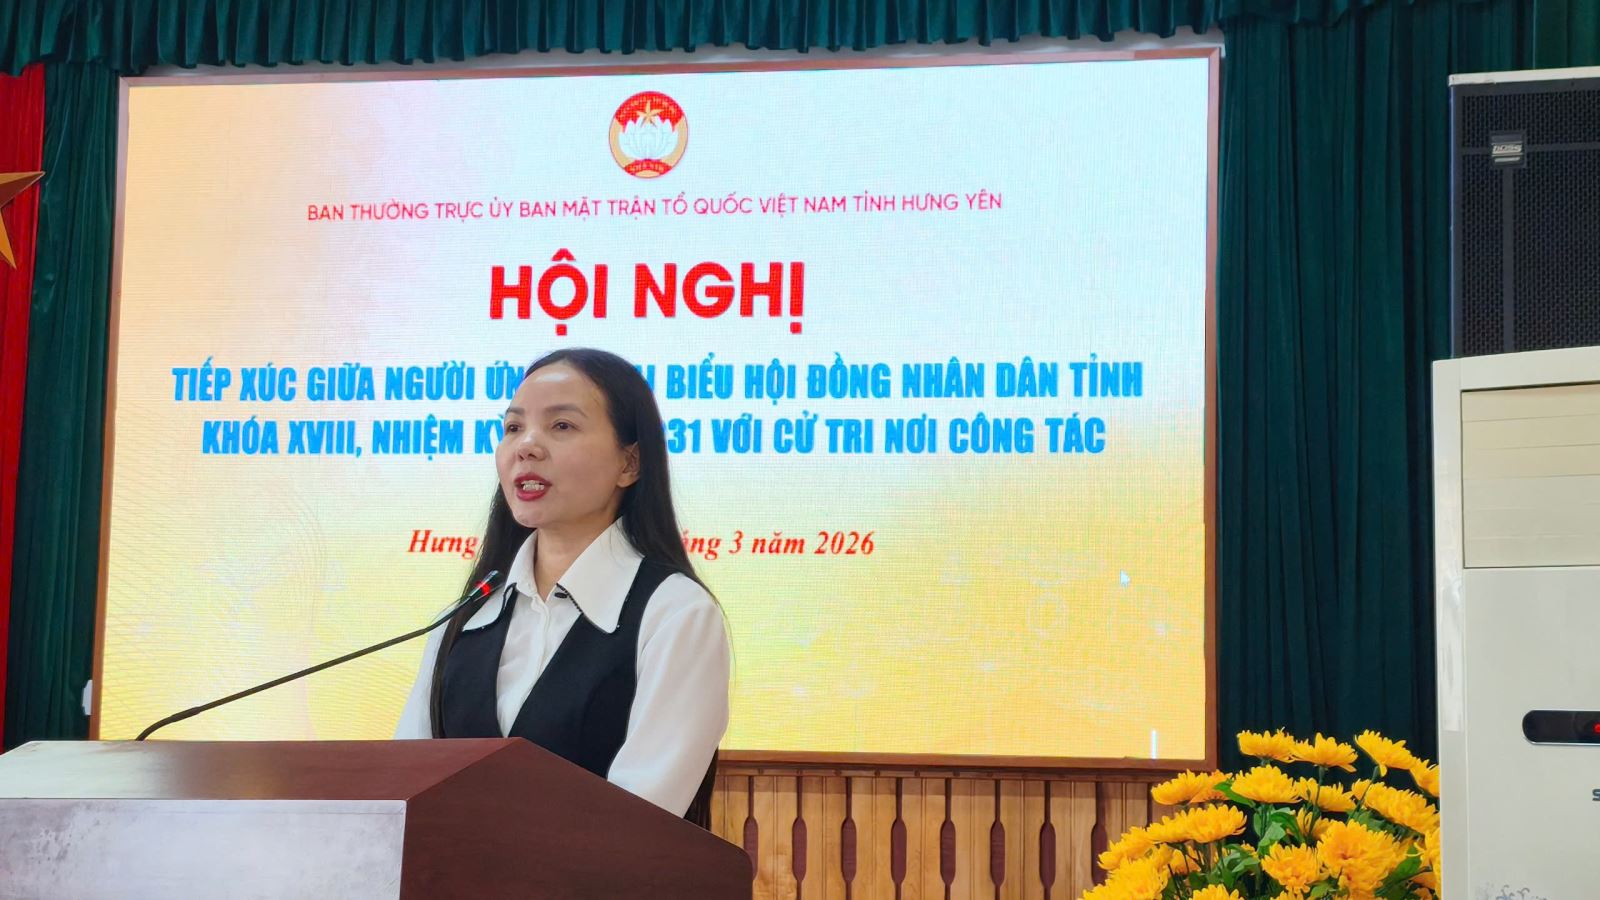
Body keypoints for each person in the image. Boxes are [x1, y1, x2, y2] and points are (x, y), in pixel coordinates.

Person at [395, 348, 730, 827]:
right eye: (513, 427)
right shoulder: (464, 620)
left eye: (562, 426)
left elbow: (640, 825)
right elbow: (405, 794)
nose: (526, 446)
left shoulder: (675, 614)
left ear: (630, 463)